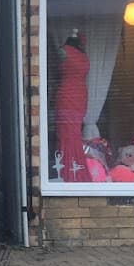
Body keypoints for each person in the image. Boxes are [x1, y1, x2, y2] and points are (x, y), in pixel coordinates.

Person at [54, 29, 91, 182]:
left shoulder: (81, 52)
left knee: (75, 133)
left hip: (80, 95)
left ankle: (75, 170)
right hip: (67, 95)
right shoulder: (62, 51)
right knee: (67, 134)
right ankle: (68, 173)